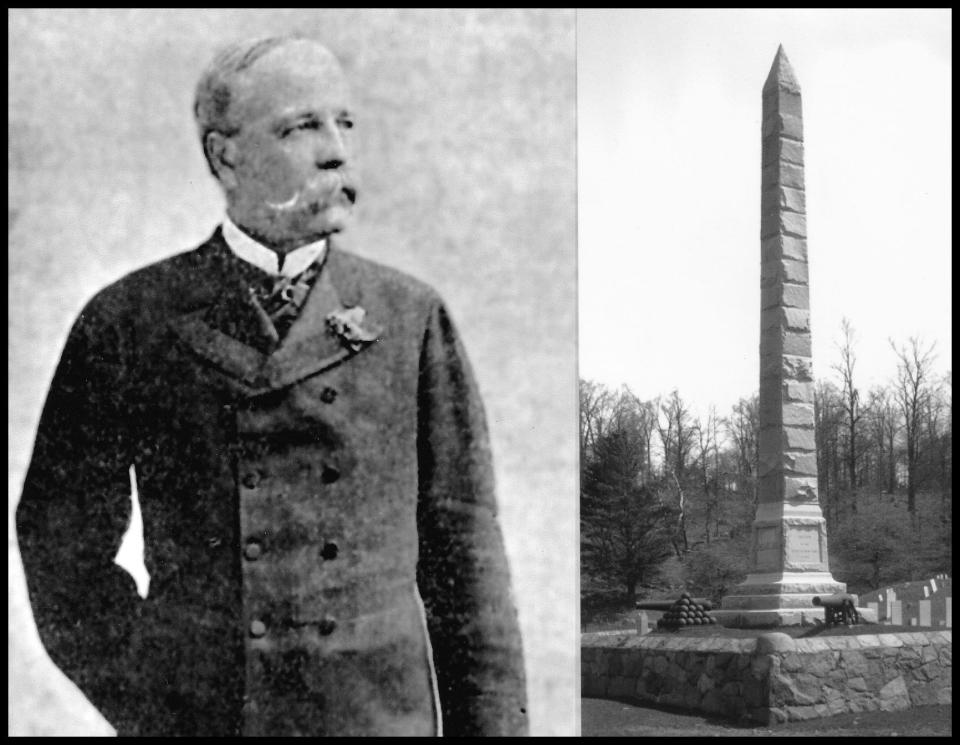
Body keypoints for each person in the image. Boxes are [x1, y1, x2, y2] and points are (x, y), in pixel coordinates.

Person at [15, 36, 527, 737]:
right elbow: (57, 540)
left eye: (344, 123)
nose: (336, 151)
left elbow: (468, 564)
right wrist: (158, 695)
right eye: (300, 126)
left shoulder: (411, 317)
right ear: (225, 156)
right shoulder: (130, 320)